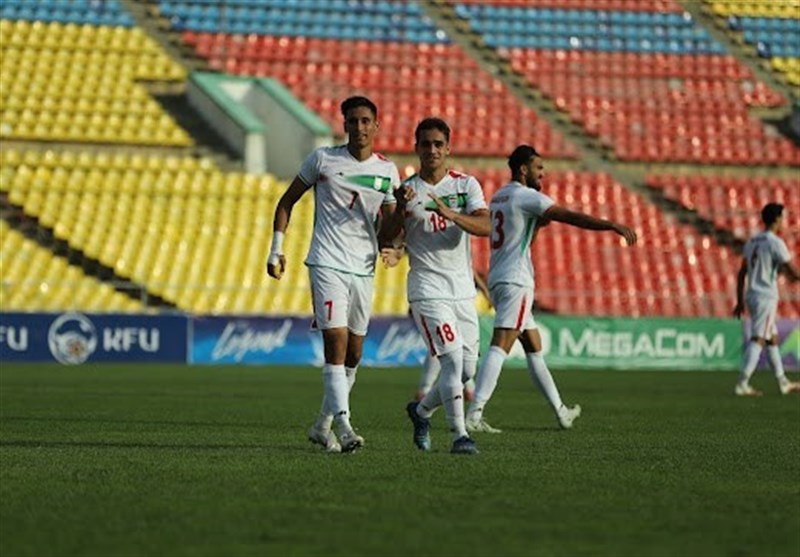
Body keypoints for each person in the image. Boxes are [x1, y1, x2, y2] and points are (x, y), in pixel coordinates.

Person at [465, 145, 637, 433]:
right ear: (523, 169)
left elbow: (522, 233)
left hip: (499, 276)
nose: (542, 173)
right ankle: (474, 413)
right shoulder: (526, 196)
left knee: (533, 348)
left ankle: (561, 411)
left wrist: (537, 226)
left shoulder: (499, 197)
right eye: (538, 168)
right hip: (516, 279)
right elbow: (569, 216)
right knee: (501, 343)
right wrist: (610, 225)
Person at [267, 96, 403, 453]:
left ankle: (321, 425)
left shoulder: (388, 171)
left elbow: (389, 227)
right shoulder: (323, 159)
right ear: (344, 124)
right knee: (336, 343)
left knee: (355, 353)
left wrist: (396, 240)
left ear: (377, 125)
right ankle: (344, 426)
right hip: (326, 262)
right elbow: (286, 201)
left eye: (365, 121)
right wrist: (276, 248)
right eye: (353, 120)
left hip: (364, 268)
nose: (359, 127)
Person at [381, 117, 491, 455]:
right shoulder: (406, 190)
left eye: (438, 144)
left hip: (462, 291)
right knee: (453, 361)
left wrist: (453, 214)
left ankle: (422, 410)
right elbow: (387, 237)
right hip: (427, 289)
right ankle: (460, 435)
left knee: (466, 369)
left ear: (448, 149)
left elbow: (486, 225)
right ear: (416, 148)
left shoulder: (466, 185)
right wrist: (400, 207)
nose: (432, 150)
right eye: (425, 144)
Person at [732, 203, 800, 396]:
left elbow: (742, 273)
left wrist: (739, 300)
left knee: (772, 339)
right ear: (777, 219)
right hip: (766, 296)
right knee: (759, 339)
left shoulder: (752, 241)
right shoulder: (775, 242)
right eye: (782, 217)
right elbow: (791, 269)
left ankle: (783, 382)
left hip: (752, 294)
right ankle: (742, 383)